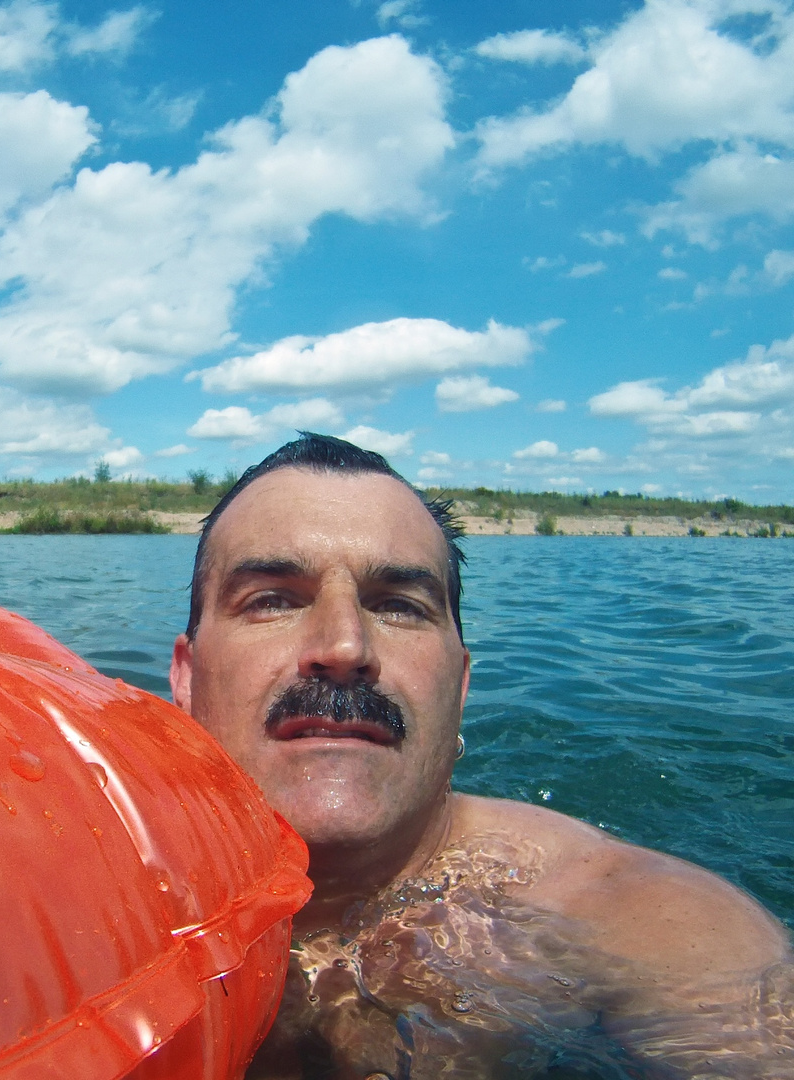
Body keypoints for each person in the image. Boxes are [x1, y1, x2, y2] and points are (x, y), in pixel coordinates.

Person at [169, 432, 793, 1079]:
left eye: (399, 606)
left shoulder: (637, 922)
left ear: (460, 688)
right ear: (186, 678)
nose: (346, 644)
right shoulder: (80, 868)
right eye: (272, 599)